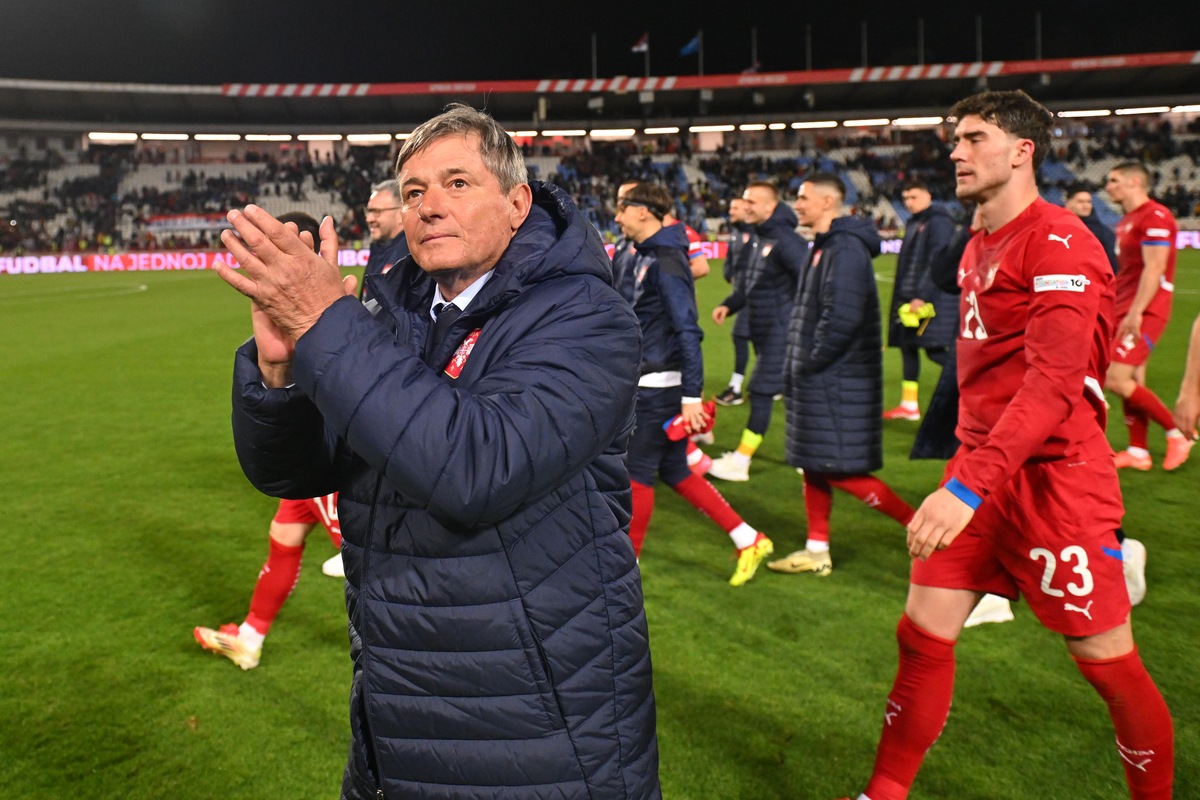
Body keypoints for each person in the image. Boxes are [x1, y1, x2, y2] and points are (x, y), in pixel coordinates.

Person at [215, 104, 659, 800]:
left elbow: (476, 468)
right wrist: (282, 371)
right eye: (414, 191)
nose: (428, 206)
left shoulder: (586, 317)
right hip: (397, 709)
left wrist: (328, 325)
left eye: (457, 183)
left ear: (517, 204)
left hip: (532, 726)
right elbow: (295, 471)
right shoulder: (397, 313)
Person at [839, 90, 1173, 800]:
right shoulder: (978, 241)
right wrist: (966, 469)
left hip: (1056, 481)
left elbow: (1054, 384)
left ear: (1022, 150)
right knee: (922, 637)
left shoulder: (1060, 242)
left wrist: (965, 486)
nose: (955, 152)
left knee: (1106, 666)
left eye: (972, 137)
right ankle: (885, 794)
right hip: (981, 470)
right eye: (953, 140)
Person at [613, 181, 773, 585]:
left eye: (622, 208)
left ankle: (625, 570)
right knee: (675, 471)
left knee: (637, 473)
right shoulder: (644, 253)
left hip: (660, 385)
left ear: (643, 211)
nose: (616, 217)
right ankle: (747, 538)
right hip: (647, 379)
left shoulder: (667, 260)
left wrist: (689, 395)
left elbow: (688, 330)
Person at [767, 174, 915, 577]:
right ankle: (817, 549)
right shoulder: (826, 245)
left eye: (803, 197)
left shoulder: (845, 248)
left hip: (835, 378)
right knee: (813, 462)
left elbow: (841, 318)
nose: (797, 204)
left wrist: (809, 362)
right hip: (823, 377)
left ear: (829, 202)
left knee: (842, 470)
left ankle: (924, 529)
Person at [708, 181, 807, 482]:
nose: (745, 206)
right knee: (792, 394)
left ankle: (742, 460)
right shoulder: (758, 239)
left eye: (751, 201)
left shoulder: (787, 241)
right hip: (764, 329)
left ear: (770, 206)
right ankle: (807, 454)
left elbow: (812, 285)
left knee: (762, 390)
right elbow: (752, 285)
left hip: (783, 330)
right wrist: (729, 304)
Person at [1103, 162, 1191, 471]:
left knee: (1115, 377)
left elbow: (1154, 268)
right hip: (1124, 306)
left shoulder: (1155, 216)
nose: (1108, 186)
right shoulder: (1128, 219)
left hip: (1146, 308)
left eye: (1114, 180)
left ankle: (1178, 432)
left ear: (1135, 181)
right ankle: (1138, 451)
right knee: (1132, 378)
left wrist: (1137, 313)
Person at [193, 494, 342, 669]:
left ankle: (379, 659)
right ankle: (249, 638)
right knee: (285, 533)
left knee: (366, 551)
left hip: (338, 477)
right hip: (307, 472)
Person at [882, 180, 957, 422]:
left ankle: (977, 388)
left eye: (913, 197)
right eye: (905, 199)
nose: (908, 203)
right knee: (909, 346)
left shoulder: (938, 222)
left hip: (930, 299)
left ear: (928, 195)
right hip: (911, 297)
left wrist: (922, 296)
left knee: (935, 350)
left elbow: (938, 261)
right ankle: (908, 405)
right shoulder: (918, 222)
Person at [715, 196, 756, 406]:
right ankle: (774, 383)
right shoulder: (737, 233)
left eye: (735, 207)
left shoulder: (757, 233)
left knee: (740, 335)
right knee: (759, 341)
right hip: (741, 295)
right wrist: (729, 273)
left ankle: (736, 387)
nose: (730, 210)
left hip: (754, 296)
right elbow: (731, 260)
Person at [359, 179, 409, 303]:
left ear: (401, 213)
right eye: (368, 211)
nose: (368, 218)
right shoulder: (379, 249)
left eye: (377, 212)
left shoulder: (411, 255)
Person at [1064, 183, 1119, 275]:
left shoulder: (1103, 232)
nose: (1086, 205)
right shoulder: (1056, 226)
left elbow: (1112, 264)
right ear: (1068, 203)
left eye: (1088, 202)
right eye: (1081, 202)